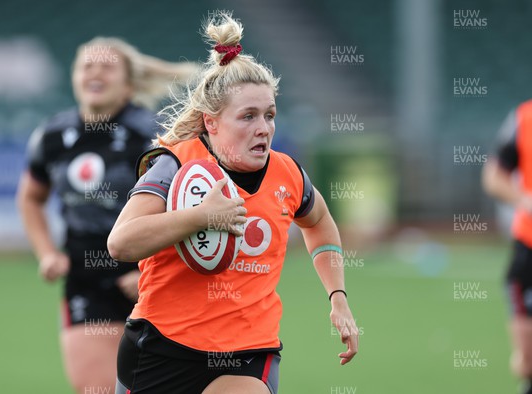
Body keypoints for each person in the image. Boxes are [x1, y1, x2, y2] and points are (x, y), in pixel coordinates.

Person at [108, 12, 359, 394]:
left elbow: (320, 222)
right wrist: (201, 217)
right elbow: (120, 244)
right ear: (212, 122)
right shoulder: (174, 163)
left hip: (248, 351)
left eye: (270, 115)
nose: (264, 128)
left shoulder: (287, 173)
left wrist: (337, 297)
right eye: (248, 116)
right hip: (162, 347)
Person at [16, 37, 196, 393]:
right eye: (86, 66)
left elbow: (187, 207)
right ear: (74, 77)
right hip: (86, 281)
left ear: (128, 84)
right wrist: (47, 253)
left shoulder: (156, 136)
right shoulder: (51, 136)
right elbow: (30, 198)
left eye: (107, 66)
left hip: (153, 280)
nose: (95, 72)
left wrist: (148, 264)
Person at [483, 101, 532, 394]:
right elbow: (493, 177)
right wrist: (526, 201)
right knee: (527, 363)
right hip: (528, 250)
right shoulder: (523, 118)